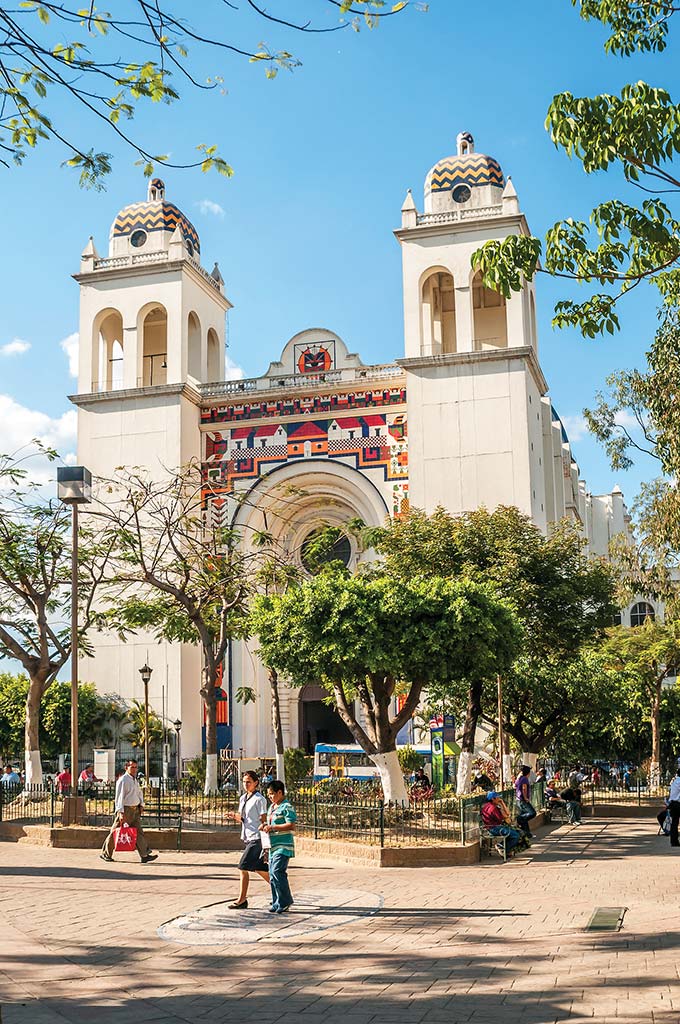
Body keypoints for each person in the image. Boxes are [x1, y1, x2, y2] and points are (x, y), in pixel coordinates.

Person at [100, 759, 157, 864]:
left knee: (138, 832)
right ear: (126, 767)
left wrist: (141, 804)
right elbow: (119, 797)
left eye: (136, 767)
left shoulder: (134, 779)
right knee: (116, 831)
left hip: (135, 810)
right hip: (125, 810)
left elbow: (138, 793)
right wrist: (120, 812)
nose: (134, 769)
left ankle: (144, 854)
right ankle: (106, 853)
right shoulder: (123, 780)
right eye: (132, 767)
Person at [228, 771, 269, 910]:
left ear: (256, 783)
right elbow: (245, 818)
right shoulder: (243, 798)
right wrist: (234, 816)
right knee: (260, 868)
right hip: (248, 836)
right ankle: (281, 891)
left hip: (257, 838)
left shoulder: (260, 799)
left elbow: (263, 818)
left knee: (242, 867)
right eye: (244, 782)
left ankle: (242, 899)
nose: (246, 784)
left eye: (249, 782)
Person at [262, 779, 296, 914]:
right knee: (272, 874)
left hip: (283, 845)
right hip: (272, 845)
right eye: (269, 794)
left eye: (272, 794)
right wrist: (264, 826)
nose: (270, 797)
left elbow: (291, 825)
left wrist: (273, 827)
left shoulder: (286, 807)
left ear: (280, 792)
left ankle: (285, 900)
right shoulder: (272, 807)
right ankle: (277, 901)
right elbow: (268, 822)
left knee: (277, 871)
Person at [515, 765, 537, 838]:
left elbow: (515, 786)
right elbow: (524, 788)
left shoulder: (519, 778)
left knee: (524, 819)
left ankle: (527, 834)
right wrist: (525, 797)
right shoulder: (524, 779)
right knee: (532, 813)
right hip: (522, 799)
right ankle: (519, 818)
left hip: (518, 799)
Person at [666, 766, 680, 848]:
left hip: (673, 804)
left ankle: (674, 841)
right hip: (678, 804)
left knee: (674, 823)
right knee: (675, 822)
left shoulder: (674, 782)